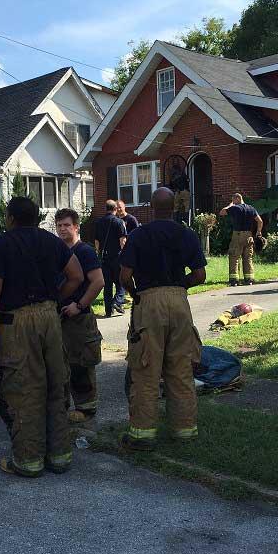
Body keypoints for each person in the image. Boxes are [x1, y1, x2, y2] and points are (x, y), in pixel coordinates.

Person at [0, 196, 84, 477]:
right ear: (37, 218)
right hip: (50, 318)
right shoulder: (53, 242)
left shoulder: (0, 246)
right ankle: (59, 455)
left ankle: (28, 460)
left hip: (17, 321)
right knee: (55, 382)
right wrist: (53, 301)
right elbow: (76, 275)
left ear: (10, 219)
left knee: (24, 387)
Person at [119, 187, 207, 451]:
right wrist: (181, 287)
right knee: (181, 368)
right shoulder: (186, 234)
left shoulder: (138, 235)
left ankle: (142, 435)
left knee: (146, 369)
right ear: (174, 208)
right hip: (179, 301)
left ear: (151, 207)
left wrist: (136, 293)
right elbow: (200, 274)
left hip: (148, 301)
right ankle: (184, 431)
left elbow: (124, 275)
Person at [55, 208, 105, 423]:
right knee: (60, 365)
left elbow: (98, 281)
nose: (62, 229)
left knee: (81, 365)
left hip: (79, 318)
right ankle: (62, 408)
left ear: (76, 227)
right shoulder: (57, 251)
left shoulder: (84, 251)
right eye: (59, 225)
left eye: (66, 225)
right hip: (59, 319)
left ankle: (86, 410)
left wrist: (79, 304)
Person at [219, 193, 263, 285]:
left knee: (234, 256)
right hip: (248, 235)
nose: (233, 203)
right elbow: (260, 221)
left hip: (237, 235)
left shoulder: (235, 208)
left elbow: (222, 212)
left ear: (238, 199)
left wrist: (230, 204)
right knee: (248, 258)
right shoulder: (251, 208)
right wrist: (258, 232)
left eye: (233, 200)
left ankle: (234, 280)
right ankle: (249, 279)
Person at [95, 200, 127, 317]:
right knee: (121, 282)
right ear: (115, 209)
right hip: (117, 257)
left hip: (104, 258)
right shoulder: (119, 222)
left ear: (106, 208)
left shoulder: (99, 222)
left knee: (107, 285)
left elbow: (97, 242)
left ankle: (108, 311)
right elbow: (122, 241)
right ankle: (117, 302)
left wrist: (98, 254)